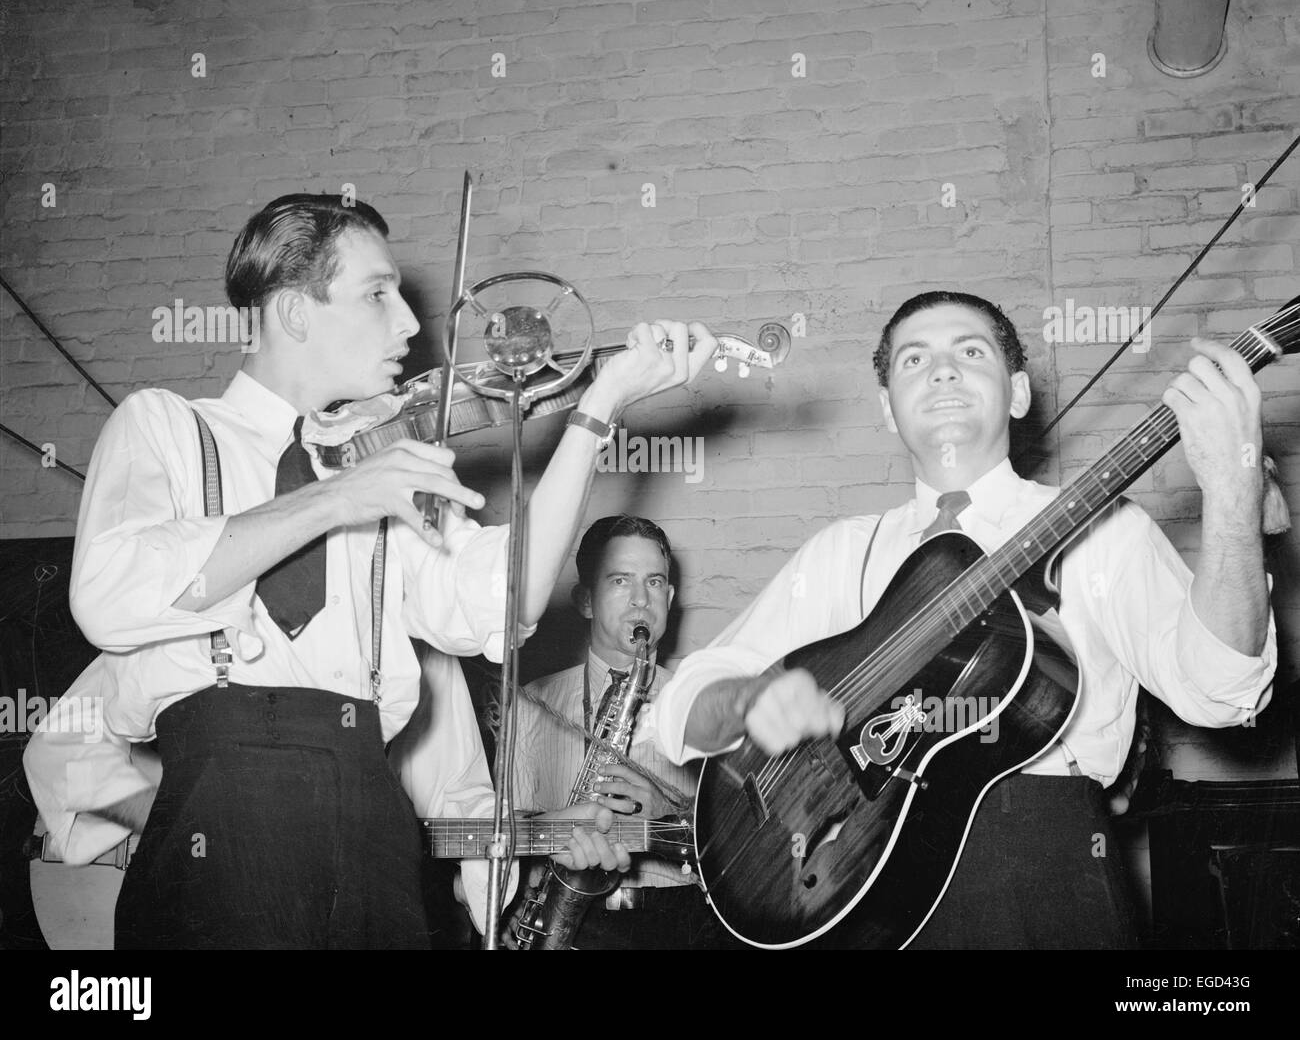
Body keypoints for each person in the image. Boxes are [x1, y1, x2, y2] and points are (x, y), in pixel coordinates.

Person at [23, 193, 718, 950]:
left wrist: (598, 410)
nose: (411, 323)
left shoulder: (383, 465)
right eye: (376, 294)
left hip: (372, 831)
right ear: (293, 312)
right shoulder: (166, 427)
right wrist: (332, 500)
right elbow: (108, 593)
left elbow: (505, 597)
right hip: (218, 828)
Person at [650, 290, 1277, 949]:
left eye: (970, 352)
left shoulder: (1109, 530)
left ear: (1018, 393)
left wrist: (1233, 496)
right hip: (854, 883)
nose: (942, 371)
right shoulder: (840, 550)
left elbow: (1222, 689)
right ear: (887, 408)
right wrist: (749, 699)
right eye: (913, 359)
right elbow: (678, 707)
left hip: (1041, 874)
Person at [502, 515, 731, 949]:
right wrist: (510, 902)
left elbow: (748, 841)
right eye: (621, 581)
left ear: (670, 597)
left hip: (683, 921)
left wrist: (672, 813)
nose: (641, 600)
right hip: (569, 923)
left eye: (655, 582)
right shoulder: (530, 703)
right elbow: (508, 826)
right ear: (585, 599)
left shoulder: (710, 704)